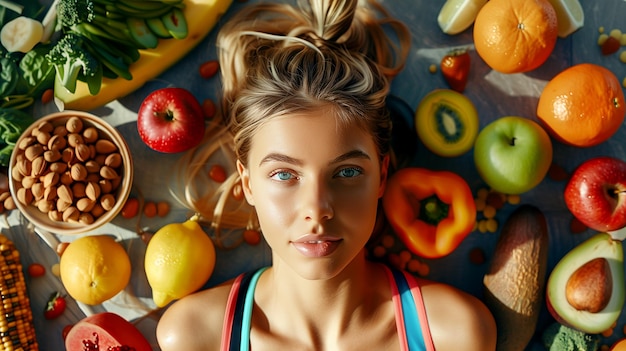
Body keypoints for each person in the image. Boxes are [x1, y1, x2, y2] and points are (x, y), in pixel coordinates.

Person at [156, 0, 497, 350]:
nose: (317, 209)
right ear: (248, 184)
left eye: (347, 171)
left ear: (381, 177)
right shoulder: (193, 336)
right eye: (285, 175)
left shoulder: (457, 335)